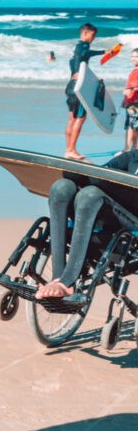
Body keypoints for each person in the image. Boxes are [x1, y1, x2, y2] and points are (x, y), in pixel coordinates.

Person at [36, 149, 138, 299]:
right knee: (62, 186)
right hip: (108, 218)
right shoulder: (133, 157)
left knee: (89, 194)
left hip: (133, 225)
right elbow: (102, 174)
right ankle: (58, 277)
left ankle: (67, 282)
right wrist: (85, 167)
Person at [63, 23, 114, 160]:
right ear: (85, 33)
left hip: (71, 85)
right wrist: (104, 52)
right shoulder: (83, 46)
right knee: (80, 118)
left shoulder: (75, 51)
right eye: (92, 35)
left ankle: (68, 150)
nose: (93, 38)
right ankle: (71, 150)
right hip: (78, 87)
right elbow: (85, 53)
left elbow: (79, 66)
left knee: (72, 119)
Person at [122, 48, 138, 152]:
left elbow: (133, 87)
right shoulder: (134, 70)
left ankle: (127, 149)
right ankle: (134, 148)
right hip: (131, 102)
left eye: (136, 57)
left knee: (131, 127)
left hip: (135, 102)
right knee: (134, 127)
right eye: (132, 56)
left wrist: (131, 89)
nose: (133, 59)